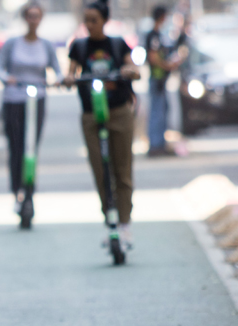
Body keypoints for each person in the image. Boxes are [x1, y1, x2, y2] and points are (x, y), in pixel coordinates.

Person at [63, 1, 140, 246]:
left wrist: (130, 71)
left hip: (118, 111)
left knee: (122, 170)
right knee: (100, 170)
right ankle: (110, 220)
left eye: (94, 20)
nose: (89, 25)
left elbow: (133, 67)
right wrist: (68, 78)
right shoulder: (79, 46)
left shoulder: (117, 44)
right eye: (86, 20)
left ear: (104, 20)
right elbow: (71, 72)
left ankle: (125, 223)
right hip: (91, 114)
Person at [0, 2, 61, 211]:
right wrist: (8, 78)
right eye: (30, 16)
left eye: (37, 16)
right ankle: (17, 191)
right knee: (16, 147)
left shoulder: (46, 45)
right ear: (25, 18)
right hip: (14, 99)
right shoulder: (12, 44)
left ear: (41, 19)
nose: (33, 20)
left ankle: (30, 190)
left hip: (37, 99)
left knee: (31, 147)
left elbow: (57, 71)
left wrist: (57, 80)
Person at [145, 5, 179, 157]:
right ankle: (155, 145)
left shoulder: (159, 35)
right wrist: (167, 65)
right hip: (157, 78)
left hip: (161, 79)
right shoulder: (153, 35)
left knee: (163, 110)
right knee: (157, 112)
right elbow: (153, 57)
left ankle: (160, 144)